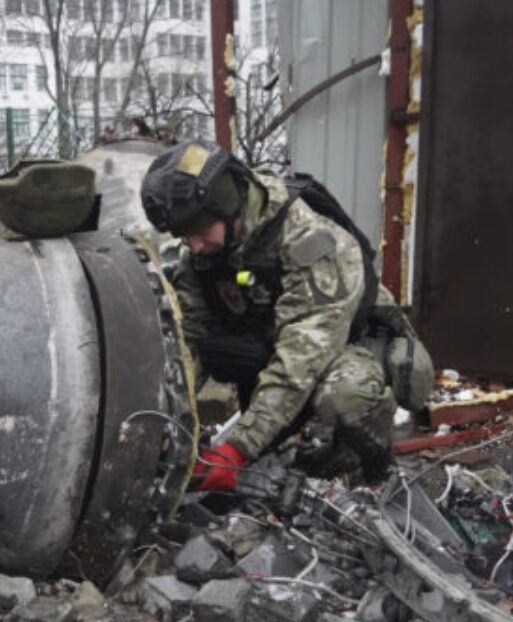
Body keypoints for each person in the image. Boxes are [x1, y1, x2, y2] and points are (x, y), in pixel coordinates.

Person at [141, 139, 401, 491]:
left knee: (345, 395)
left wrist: (237, 448)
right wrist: (167, 421)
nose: (195, 247)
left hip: (346, 349)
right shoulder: (202, 252)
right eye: (186, 238)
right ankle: (282, 447)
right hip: (275, 346)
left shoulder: (310, 241)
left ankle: (372, 462)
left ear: (229, 209)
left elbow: (302, 356)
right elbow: (188, 343)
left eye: (201, 233)